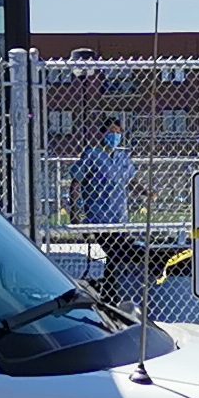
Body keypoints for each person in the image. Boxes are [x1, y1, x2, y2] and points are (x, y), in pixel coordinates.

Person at [73, 117, 140, 302]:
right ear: (103, 134)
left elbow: (131, 181)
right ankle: (110, 292)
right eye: (111, 132)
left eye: (118, 133)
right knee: (115, 251)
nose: (115, 136)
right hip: (99, 216)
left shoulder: (123, 157)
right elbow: (77, 182)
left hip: (119, 217)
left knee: (121, 253)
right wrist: (76, 212)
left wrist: (146, 192)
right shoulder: (92, 155)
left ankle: (110, 291)